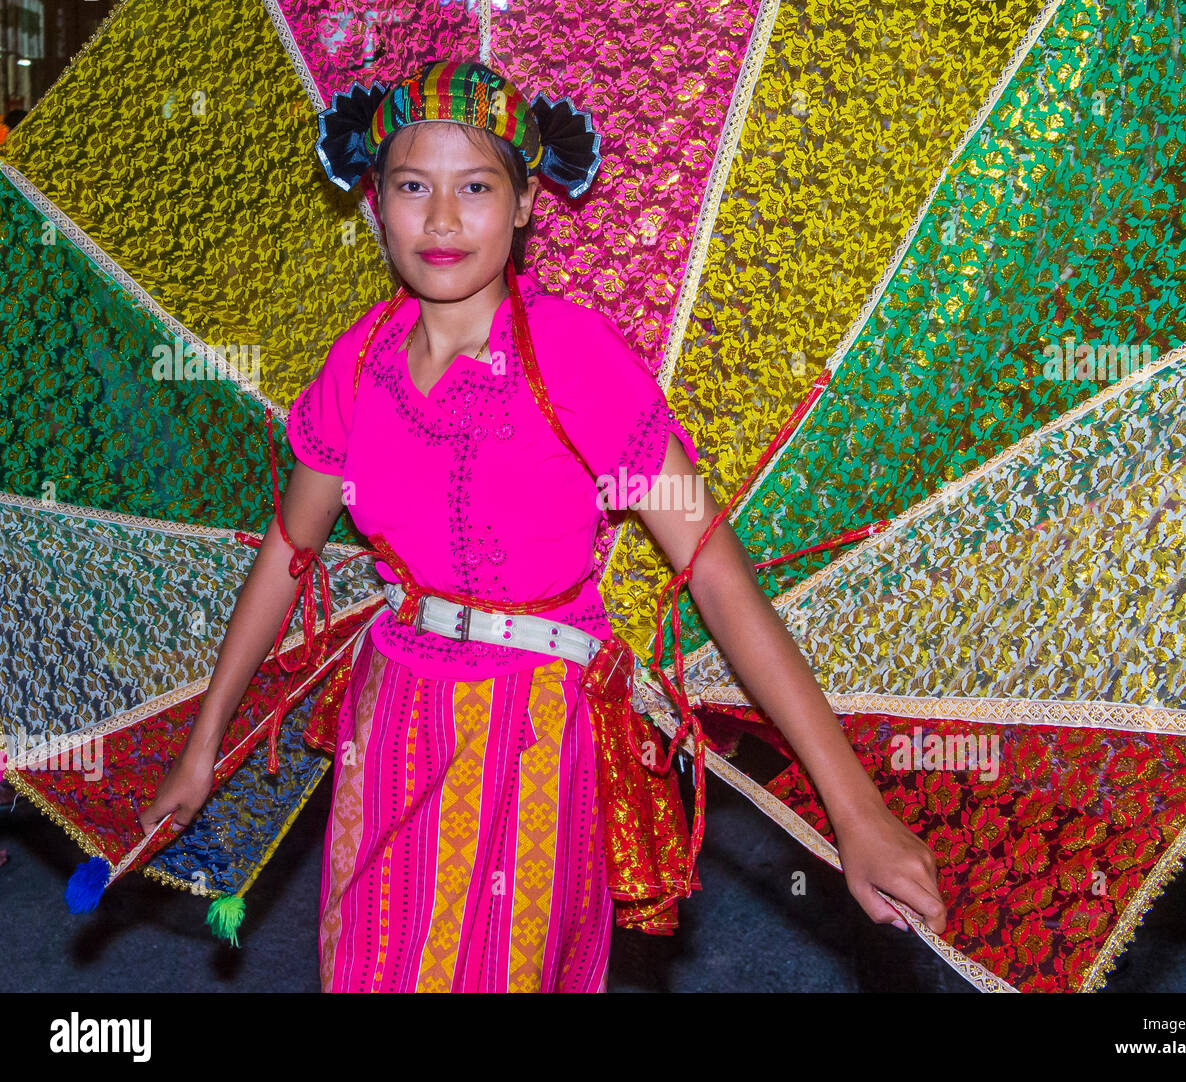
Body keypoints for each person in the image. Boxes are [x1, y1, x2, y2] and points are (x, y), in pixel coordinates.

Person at [139, 57, 946, 992]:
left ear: (525, 204)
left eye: (476, 187)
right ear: (376, 200)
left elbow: (715, 571)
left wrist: (854, 811)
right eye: (412, 186)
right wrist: (203, 749)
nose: (442, 219)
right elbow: (289, 549)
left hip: (533, 729)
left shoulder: (579, 360)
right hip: (389, 722)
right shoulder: (356, 363)